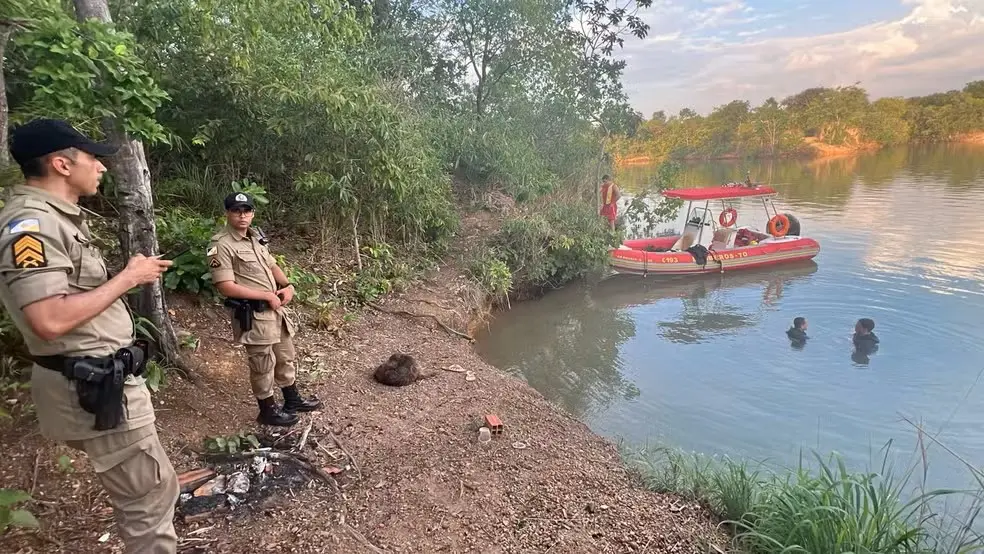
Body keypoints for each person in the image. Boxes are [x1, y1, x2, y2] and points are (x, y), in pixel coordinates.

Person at [0, 119, 179, 552]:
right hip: (92, 387)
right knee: (149, 502)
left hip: (98, 381)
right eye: (93, 157)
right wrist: (128, 278)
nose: (100, 166)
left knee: (151, 490)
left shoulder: (55, 220)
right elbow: (48, 319)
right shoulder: (32, 226)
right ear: (61, 164)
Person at [207, 193, 322, 427]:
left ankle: (292, 400)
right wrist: (266, 296)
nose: (242, 215)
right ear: (227, 213)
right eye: (236, 210)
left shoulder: (255, 237)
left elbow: (272, 265)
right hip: (255, 314)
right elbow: (225, 286)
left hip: (275, 312)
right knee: (262, 364)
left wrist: (288, 286)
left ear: (252, 213)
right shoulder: (220, 244)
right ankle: (267, 410)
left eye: (246, 210)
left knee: (285, 356)